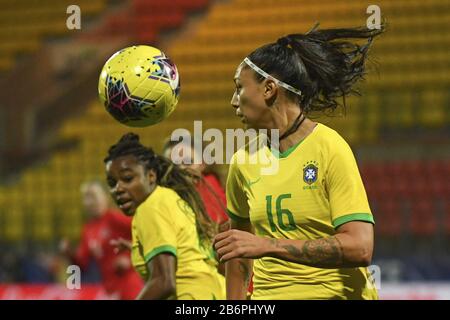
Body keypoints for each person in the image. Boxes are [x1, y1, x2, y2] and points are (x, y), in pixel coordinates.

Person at [213, 25, 384, 300]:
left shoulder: (330, 147)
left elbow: (360, 248)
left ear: (269, 88)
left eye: (239, 88)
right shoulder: (242, 162)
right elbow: (239, 253)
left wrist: (268, 245)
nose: (233, 101)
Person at [104, 133, 225, 300]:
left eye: (127, 178)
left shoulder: (151, 206)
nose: (118, 188)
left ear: (151, 175)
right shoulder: (172, 198)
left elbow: (164, 282)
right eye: (112, 183)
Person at [60, 181, 143, 300]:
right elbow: (82, 264)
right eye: (86, 197)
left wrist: (129, 257)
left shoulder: (115, 218)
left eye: (93, 196)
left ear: (105, 197)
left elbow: (144, 233)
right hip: (109, 290)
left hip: (130, 285)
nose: (89, 202)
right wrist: (69, 252)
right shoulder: (88, 229)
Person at [162, 136, 229, 226]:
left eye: (188, 162)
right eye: (174, 164)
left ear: (202, 164)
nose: (181, 168)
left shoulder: (214, 193)